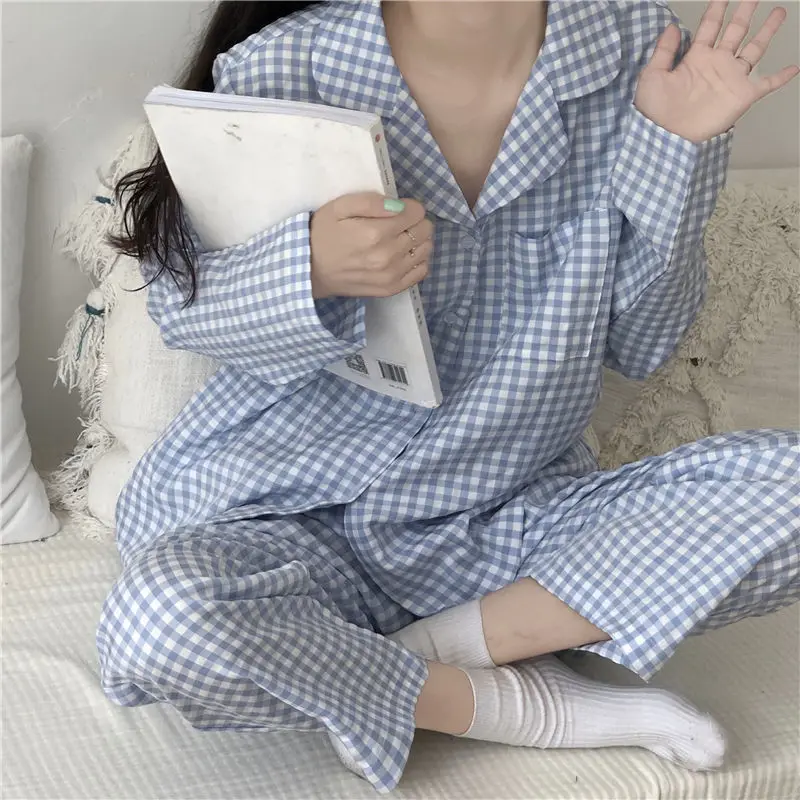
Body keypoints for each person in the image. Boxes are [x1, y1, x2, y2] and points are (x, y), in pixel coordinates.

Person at [98, 0, 800, 791]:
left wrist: (678, 148)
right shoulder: (281, 64)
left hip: (501, 524)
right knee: (162, 622)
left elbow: (642, 345)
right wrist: (310, 268)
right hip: (280, 516)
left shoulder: (646, 51)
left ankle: (430, 655)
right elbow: (185, 310)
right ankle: (520, 707)